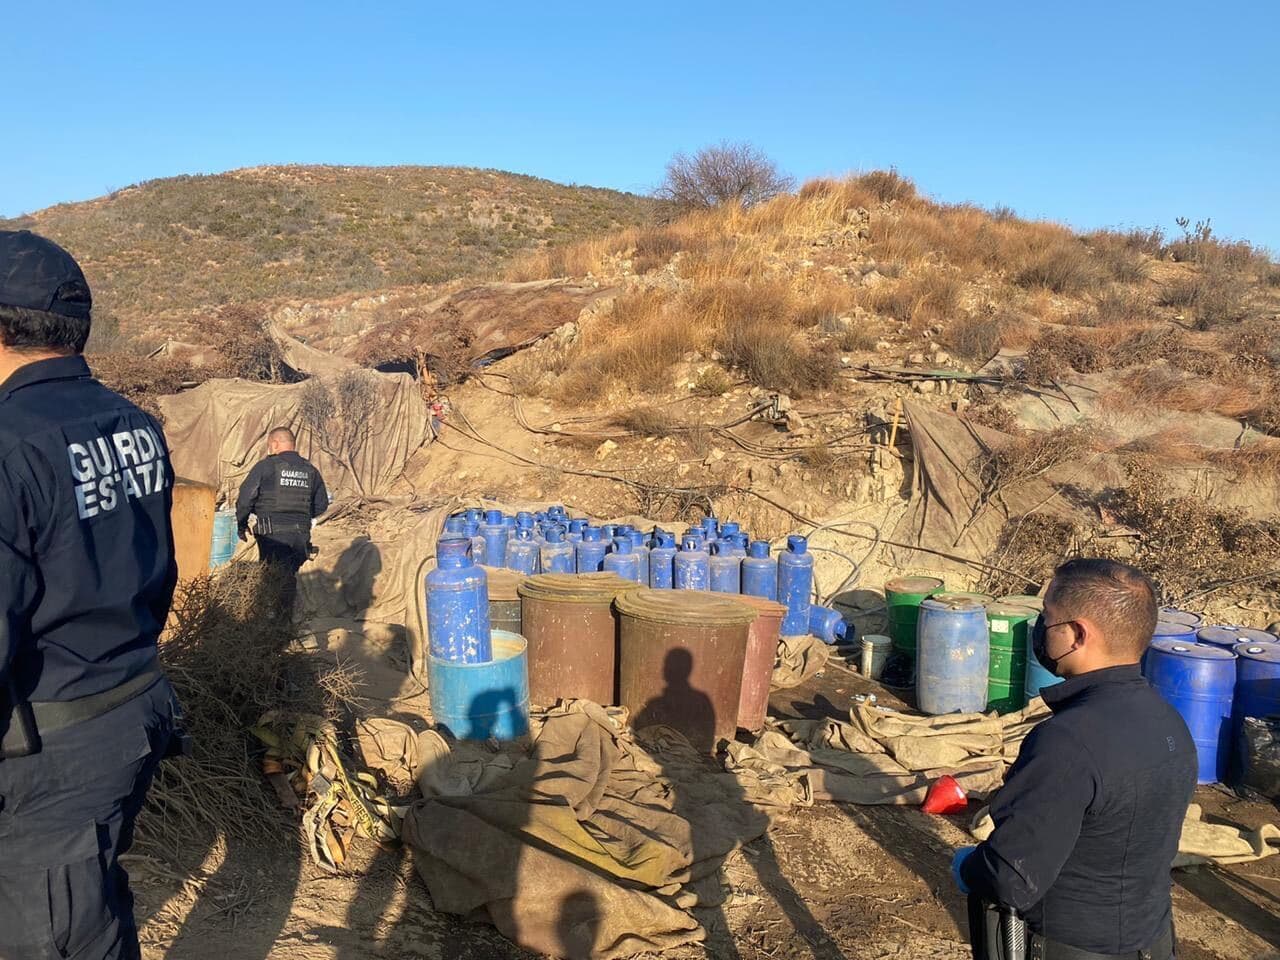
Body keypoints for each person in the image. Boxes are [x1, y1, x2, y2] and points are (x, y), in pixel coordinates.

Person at [0, 229, 182, 959]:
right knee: (92, 907)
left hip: (51, 746)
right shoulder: (135, 424)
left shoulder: (9, 444)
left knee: (50, 934)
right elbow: (157, 573)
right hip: (128, 709)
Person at [952, 558, 1197, 960]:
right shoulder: (1170, 722)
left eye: (1047, 617)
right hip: (1152, 943)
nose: (1040, 629)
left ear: (1078, 634)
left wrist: (967, 868)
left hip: (1072, 947)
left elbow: (1012, 878)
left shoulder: (1065, 742)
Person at [235, 426, 328, 613]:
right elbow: (322, 505)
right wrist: (300, 516)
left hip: (273, 536)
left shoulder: (266, 466)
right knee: (288, 577)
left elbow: (245, 498)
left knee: (273, 581)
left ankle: (274, 625)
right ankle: (284, 622)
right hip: (300, 537)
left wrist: (242, 523)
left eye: (270, 445)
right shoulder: (311, 470)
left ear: (275, 443)